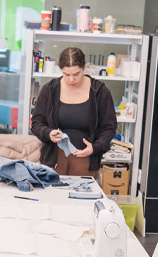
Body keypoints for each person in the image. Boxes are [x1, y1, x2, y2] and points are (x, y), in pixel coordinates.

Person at [30, 46, 117, 177]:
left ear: (84, 68)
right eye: (66, 74)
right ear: (61, 70)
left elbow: (109, 128)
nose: (71, 79)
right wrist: (48, 133)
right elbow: (36, 123)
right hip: (53, 161)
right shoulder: (50, 90)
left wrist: (95, 147)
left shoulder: (100, 92)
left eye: (76, 74)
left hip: (86, 161)